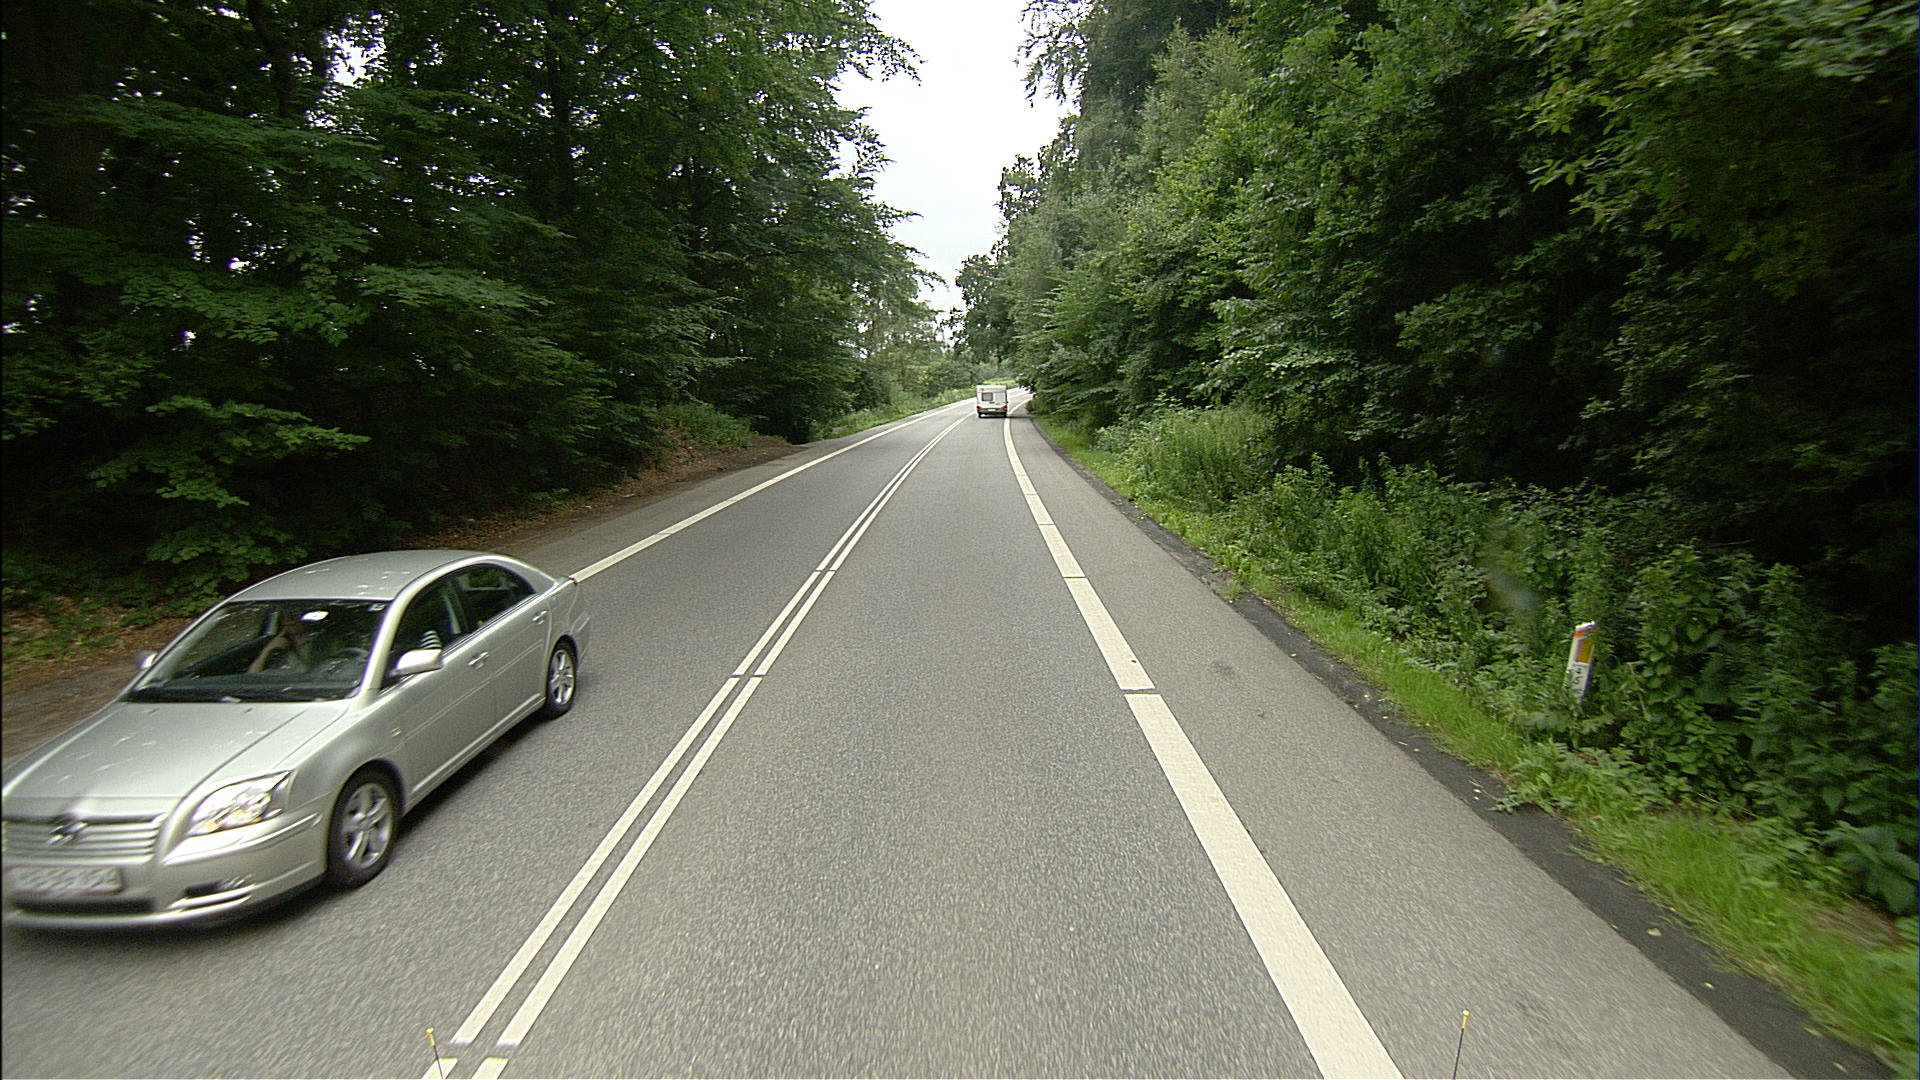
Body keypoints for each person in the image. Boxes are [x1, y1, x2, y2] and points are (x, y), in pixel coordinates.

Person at [248, 611, 316, 672]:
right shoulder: (277, 647)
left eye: (293, 616)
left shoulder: (317, 643)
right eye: (284, 617)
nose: (289, 620)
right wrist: (268, 649)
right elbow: (252, 674)